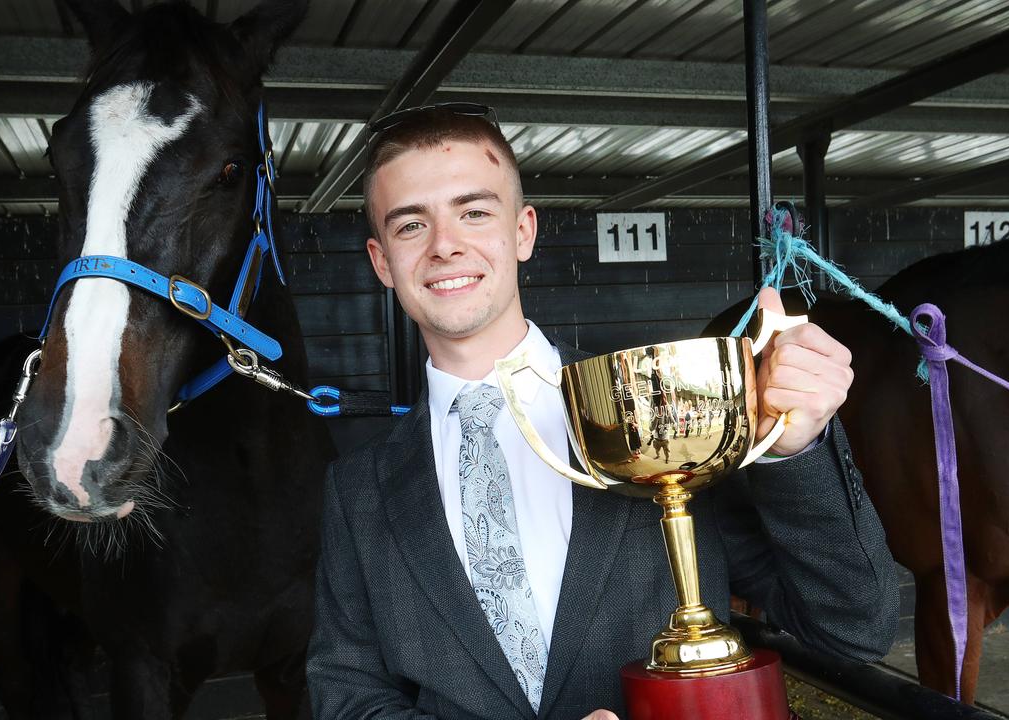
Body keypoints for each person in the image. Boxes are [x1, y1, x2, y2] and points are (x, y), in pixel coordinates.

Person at [306, 105, 898, 720]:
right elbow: (346, 693)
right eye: (410, 226)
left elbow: (853, 629)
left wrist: (793, 449)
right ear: (382, 262)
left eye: (474, 212)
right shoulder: (357, 491)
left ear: (522, 232)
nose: (445, 246)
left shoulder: (666, 411)